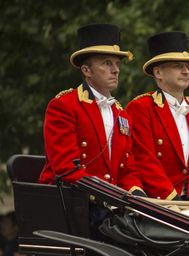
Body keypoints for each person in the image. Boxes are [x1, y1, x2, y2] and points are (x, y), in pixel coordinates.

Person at [38, 23, 145, 195]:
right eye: (107, 63)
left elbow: (127, 171)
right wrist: (111, 198)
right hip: (70, 202)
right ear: (87, 70)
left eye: (117, 64)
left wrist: (139, 198)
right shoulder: (64, 106)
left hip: (109, 204)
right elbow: (67, 170)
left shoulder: (121, 113)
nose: (116, 70)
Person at [126, 31, 189, 201]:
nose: (185, 71)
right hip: (158, 202)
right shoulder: (141, 107)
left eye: (187, 66)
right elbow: (145, 162)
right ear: (158, 73)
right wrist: (172, 201)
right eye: (177, 66)